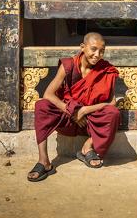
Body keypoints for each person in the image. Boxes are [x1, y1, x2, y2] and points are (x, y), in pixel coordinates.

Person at [27, 32, 120, 181]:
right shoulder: (69, 66)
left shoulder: (105, 69)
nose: (97, 55)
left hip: (90, 121)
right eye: (93, 49)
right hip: (68, 117)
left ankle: (87, 147)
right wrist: (72, 112)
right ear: (83, 47)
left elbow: (112, 102)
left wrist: (84, 110)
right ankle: (43, 161)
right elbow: (48, 94)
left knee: (113, 113)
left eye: (102, 51)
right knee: (42, 106)